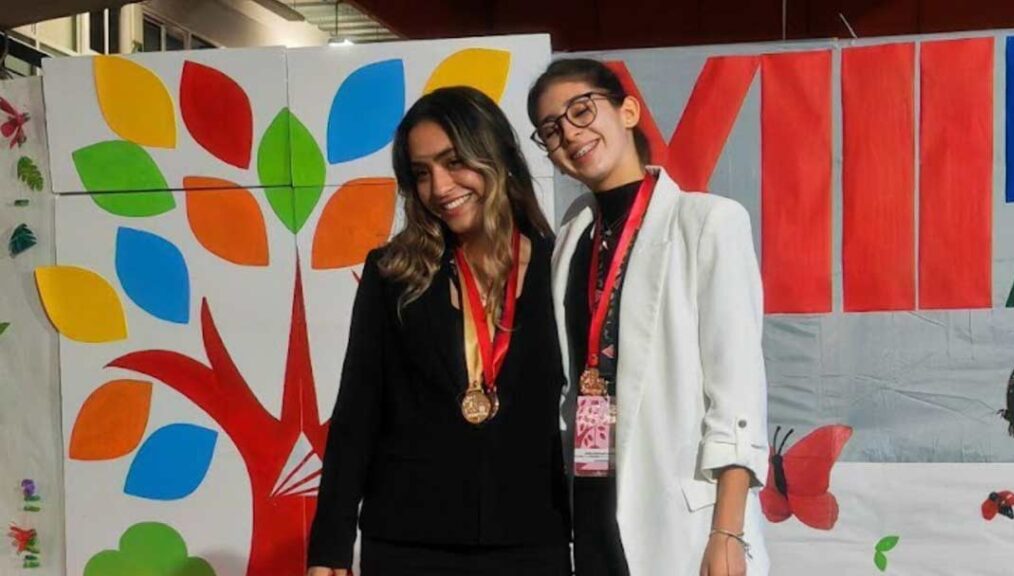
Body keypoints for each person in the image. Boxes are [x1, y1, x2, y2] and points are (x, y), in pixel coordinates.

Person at [306, 86, 571, 576]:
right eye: (422, 173)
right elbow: (357, 413)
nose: (440, 187)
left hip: (532, 540)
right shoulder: (393, 273)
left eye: (454, 162)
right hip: (408, 544)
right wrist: (329, 547)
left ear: (496, 155)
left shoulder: (561, 267)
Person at [527, 58, 770, 576]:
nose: (570, 133)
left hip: (682, 521)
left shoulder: (707, 223)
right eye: (551, 129)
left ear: (628, 111)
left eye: (581, 110)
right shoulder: (572, 234)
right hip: (592, 504)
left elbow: (738, 395)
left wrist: (728, 532)